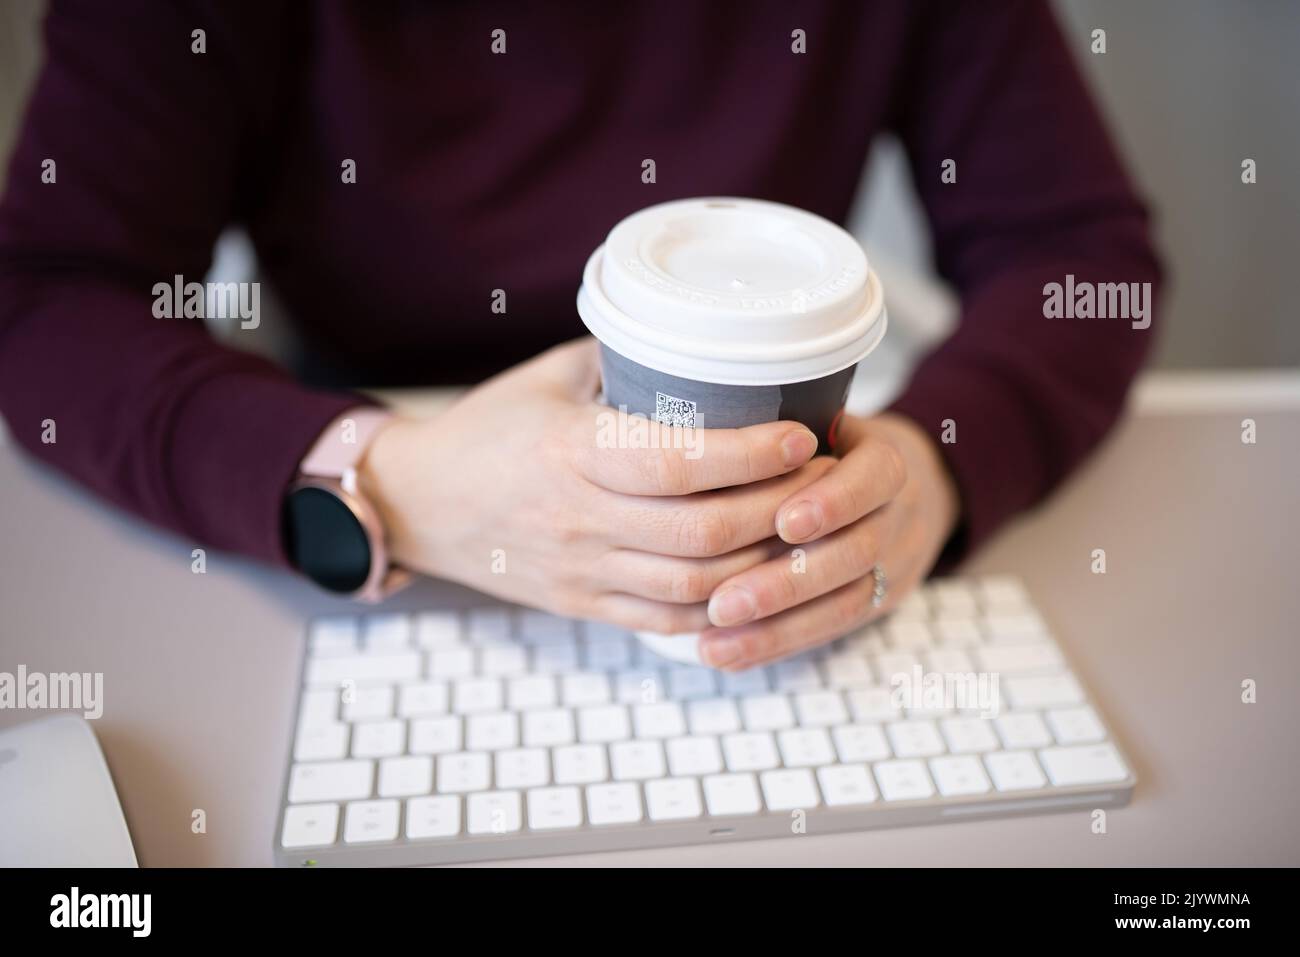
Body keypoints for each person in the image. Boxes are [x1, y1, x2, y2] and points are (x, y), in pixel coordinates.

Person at [0, 1, 1161, 670]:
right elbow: (48, 295)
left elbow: (1080, 254)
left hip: (792, 591)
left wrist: (937, 466)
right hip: (394, 565)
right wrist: (378, 483)